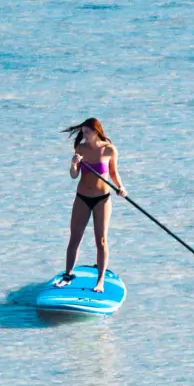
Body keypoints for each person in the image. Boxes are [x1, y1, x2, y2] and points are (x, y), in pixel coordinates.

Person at [55, 117, 125, 293]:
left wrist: (120, 188)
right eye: (83, 132)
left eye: (87, 132)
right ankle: (68, 275)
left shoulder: (109, 149)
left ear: (96, 132)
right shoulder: (81, 149)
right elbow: (74, 175)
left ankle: (100, 281)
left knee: (100, 240)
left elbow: (114, 173)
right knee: (74, 237)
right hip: (82, 198)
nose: (84, 135)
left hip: (102, 199)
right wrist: (74, 164)